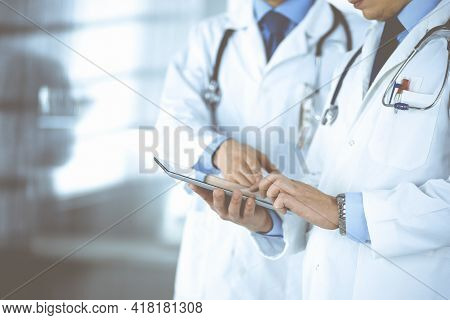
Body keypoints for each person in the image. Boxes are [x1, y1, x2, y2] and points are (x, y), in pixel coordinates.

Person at [191, 0, 450, 299]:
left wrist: (343, 213)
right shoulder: (357, 57)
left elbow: (333, 207)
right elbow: (323, 176)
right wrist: (269, 221)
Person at [157, 0, 366, 299]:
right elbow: (168, 128)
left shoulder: (359, 38)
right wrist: (218, 151)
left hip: (296, 260)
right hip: (211, 258)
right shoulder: (210, 36)